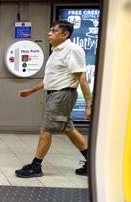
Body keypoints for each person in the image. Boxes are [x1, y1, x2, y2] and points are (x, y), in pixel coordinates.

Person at [15, 20, 92, 178]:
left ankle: (36, 166)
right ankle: (92, 162)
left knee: (46, 129)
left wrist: (89, 104)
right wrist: (31, 91)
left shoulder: (72, 50)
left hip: (62, 95)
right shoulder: (57, 51)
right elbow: (51, 80)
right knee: (69, 129)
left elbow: (82, 78)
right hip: (57, 94)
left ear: (65, 34)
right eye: (50, 30)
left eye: (54, 31)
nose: (49, 33)